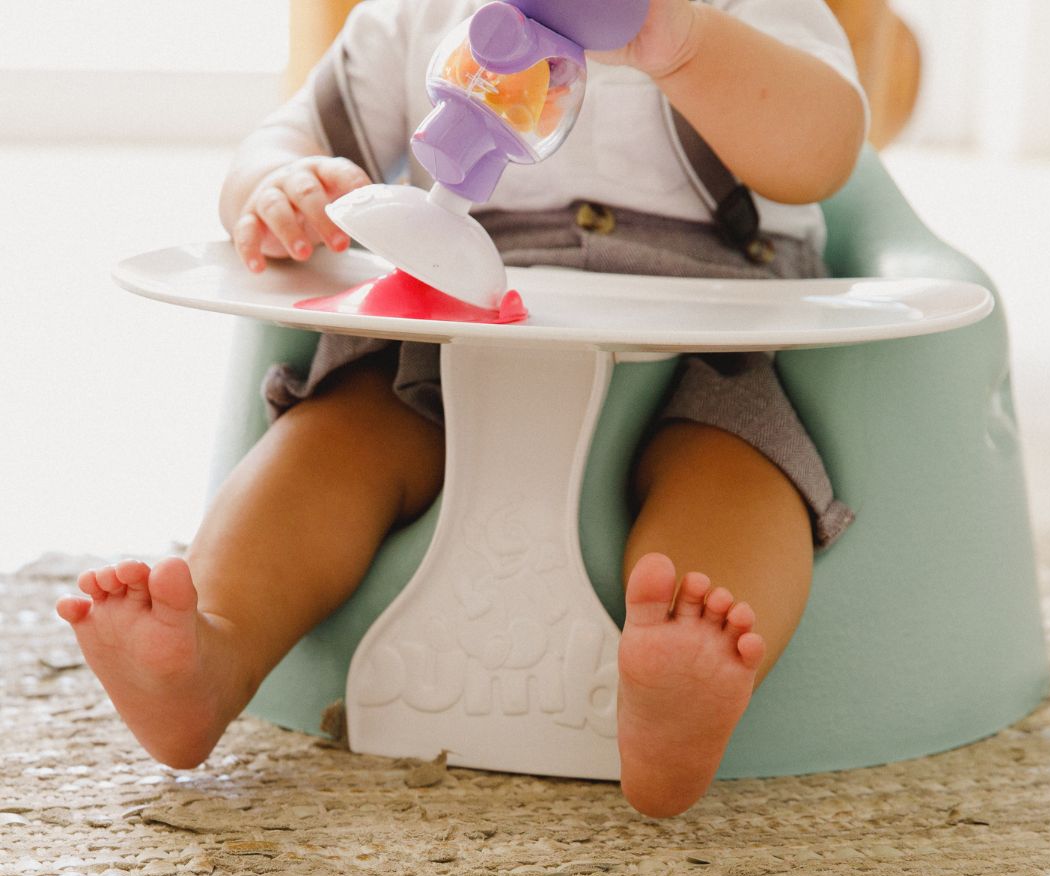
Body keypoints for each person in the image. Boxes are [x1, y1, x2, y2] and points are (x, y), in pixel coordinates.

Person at [57, 0, 868, 818]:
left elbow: (825, 153)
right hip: (451, 323)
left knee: (739, 478)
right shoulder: (412, 17)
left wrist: (684, 42)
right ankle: (212, 650)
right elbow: (288, 131)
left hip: (702, 338)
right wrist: (282, 183)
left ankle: (676, 699)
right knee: (332, 442)